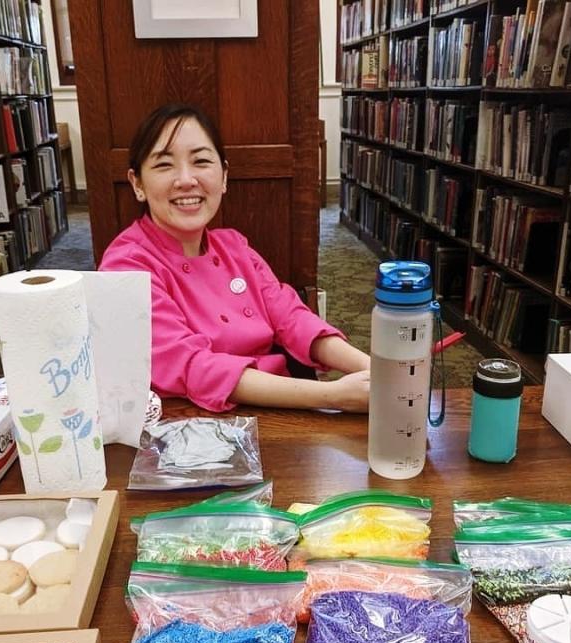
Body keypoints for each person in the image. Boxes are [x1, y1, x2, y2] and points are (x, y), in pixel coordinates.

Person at [99, 103, 370, 413]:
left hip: (281, 404)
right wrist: (333, 396)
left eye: (201, 161)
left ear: (224, 176)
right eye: (164, 165)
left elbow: (291, 317)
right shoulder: (125, 266)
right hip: (193, 423)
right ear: (137, 184)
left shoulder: (233, 246)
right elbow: (191, 366)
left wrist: (372, 368)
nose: (186, 179)